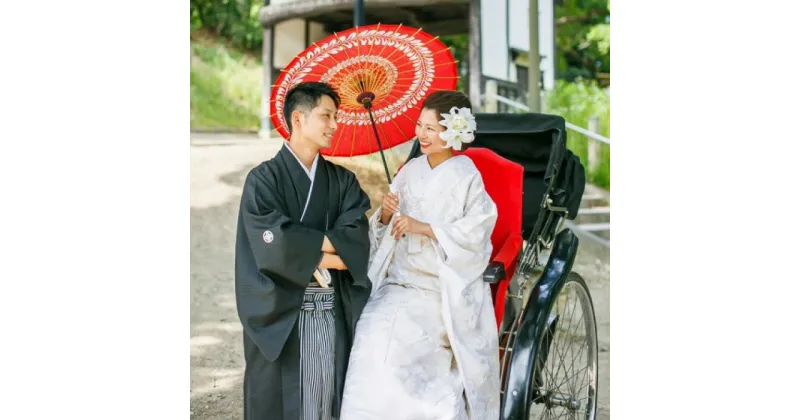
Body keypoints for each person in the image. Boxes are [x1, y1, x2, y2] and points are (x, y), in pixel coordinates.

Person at [339, 90, 501, 419]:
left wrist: (426, 227)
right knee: (371, 335)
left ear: (453, 132)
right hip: (399, 284)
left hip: (439, 289)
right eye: (419, 126)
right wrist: (385, 215)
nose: (421, 135)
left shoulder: (467, 176)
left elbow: (477, 233)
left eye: (431, 128)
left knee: (402, 350)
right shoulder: (410, 170)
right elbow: (384, 234)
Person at [234, 81, 372, 420]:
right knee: (279, 401)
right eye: (326, 116)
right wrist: (327, 253)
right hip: (282, 311)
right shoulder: (263, 180)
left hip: (330, 309)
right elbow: (270, 243)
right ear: (298, 118)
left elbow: (357, 239)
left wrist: (303, 245)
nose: (334, 125)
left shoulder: (342, 182)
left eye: (336, 116)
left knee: (326, 394)